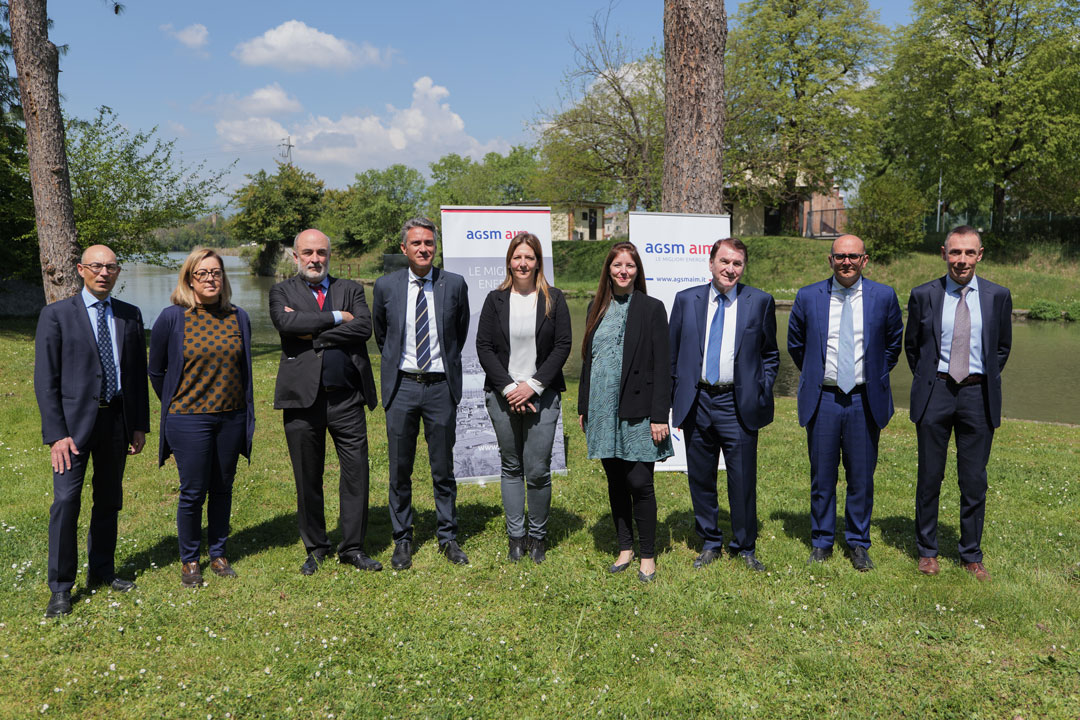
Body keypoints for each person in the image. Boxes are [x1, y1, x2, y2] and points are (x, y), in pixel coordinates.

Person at [34, 245, 149, 618]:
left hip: (115, 422)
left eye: (111, 267)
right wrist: (56, 435)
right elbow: (45, 380)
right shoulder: (56, 315)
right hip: (72, 428)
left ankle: (102, 570)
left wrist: (138, 425)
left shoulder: (130, 316)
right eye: (96, 266)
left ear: (118, 272)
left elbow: (135, 376)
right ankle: (61, 587)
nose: (104, 272)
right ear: (81, 269)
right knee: (66, 502)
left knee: (109, 499)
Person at [787, 234, 903, 571]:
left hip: (864, 400)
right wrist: (818, 373)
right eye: (840, 256)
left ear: (865, 260)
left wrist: (873, 375)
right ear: (830, 260)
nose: (846, 262)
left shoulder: (883, 296)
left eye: (853, 256)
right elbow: (797, 345)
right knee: (822, 475)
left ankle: (858, 542)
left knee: (861, 476)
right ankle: (822, 541)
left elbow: (893, 345)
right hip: (823, 398)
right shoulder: (809, 296)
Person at [270, 229, 381, 575]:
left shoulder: (350, 289)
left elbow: (364, 329)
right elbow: (286, 322)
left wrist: (313, 335)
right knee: (308, 477)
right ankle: (316, 547)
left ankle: (352, 548)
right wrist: (337, 317)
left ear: (329, 255)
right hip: (302, 402)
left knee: (356, 474)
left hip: (347, 398)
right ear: (295, 256)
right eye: (308, 253)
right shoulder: (281, 291)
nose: (315, 259)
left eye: (321, 252)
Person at [906, 225, 1012, 581]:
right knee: (930, 476)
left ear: (980, 255)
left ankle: (971, 554)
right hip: (936, 391)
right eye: (955, 252)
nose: (961, 260)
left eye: (969, 253)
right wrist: (929, 379)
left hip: (978, 395)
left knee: (973, 480)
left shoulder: (998, 296)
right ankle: (927, 551)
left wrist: (979, 377)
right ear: (943, 253)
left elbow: (1001, 348)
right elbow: (913, 347)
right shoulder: (924, 295)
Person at [669, 238, 778, 573]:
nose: (730, 269)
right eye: (725, 262)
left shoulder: (759, 301)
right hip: (698, 400)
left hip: (737, 402)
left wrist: (761, 388)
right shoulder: (686, 300)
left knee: (742, 477)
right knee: (701, 477)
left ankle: (744, 545)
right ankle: (710, 541)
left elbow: (770, 354)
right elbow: (672, 354)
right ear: (711, 262)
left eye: (737, 264)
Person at [148, 249, 255, 587]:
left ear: (224, 279)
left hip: (231, 417)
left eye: (216, 273)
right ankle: (190, 559)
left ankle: (219, 553)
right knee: (193, 491)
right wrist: (176, 402)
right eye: (202, 273)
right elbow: (156, 370)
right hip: (188, 418)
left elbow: (244, 368)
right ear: (189, 279)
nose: (210, 279)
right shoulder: (172, 317)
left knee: (223, 488)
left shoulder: (238, 317)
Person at [373, 217, 471, 570]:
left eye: (429, 243)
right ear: (404, 248)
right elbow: (383, 336)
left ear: (435, 246)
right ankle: (402, 540)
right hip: (402, 387)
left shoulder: (454, 285)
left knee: (442, 468)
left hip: (440, 388)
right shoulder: (386, 286)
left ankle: (448, 537)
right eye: (416, 243)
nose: (423, 249)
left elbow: (458, 333)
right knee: (400, 469)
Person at [578, 242, 672, 583]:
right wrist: (583, 406)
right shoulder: (596, 307)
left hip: (639, 411)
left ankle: (648, 555)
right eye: (617, 265)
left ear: (637, 270)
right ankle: (625, 548)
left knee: (640, 482)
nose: (623, 271)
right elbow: (589, 362)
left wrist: (660, 414)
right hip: (601, 412)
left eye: (629, 265)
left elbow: (663, 366)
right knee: (615, 482)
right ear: (608, 269)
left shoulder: (651, 308)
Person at [475, 233, 572, 564]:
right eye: (518, 257)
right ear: (509, 261)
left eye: (529, 257)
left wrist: (532, 385)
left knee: (538, 469)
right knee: (511, 466)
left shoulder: (554, 299)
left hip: (542, 396)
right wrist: (509, 388)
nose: (523, 263)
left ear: (538, 262)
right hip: (502, 395)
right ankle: (516, 537)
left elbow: (563, 346)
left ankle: (538, 536)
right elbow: (484, 347)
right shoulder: (495, 300)